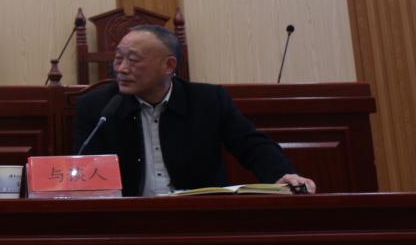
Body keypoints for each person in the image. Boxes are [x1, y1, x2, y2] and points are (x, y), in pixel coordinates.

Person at [73, 25, 316, 196]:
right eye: (118, 59)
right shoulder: (97, 107)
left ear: (169, 65)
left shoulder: (208, 101)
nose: (121, 69)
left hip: (199, 216)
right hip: (129, 221)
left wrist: (282, 175)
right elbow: (85, 171)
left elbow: (252, 145)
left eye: (133, 60)